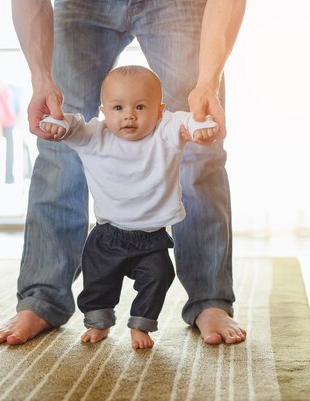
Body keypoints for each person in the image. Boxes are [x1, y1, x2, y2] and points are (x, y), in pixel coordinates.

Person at [0, 0, 247, 346]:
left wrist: (208, 82)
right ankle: (40, 300)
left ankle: (210, 300)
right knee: (59, 139)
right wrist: (42, 79)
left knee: (200, 139)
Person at [40, 65, 218, 349]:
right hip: (107, 235)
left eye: (140, 107)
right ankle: (99, 323)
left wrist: (199, 126)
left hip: (151, 238)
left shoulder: (164, 133)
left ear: (159, 111)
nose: (129, 115)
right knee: (97, 283)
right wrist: (58, 125)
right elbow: (72, 126)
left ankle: (141, 324)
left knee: (160, 276)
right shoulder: (95, 136)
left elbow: (186, 121)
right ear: (104, 111)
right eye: (118, 107)